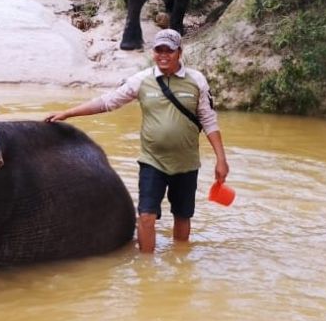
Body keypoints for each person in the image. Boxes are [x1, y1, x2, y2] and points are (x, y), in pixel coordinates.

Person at [45, 29, 229, 253]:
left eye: (168, 51)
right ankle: (146, 271)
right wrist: (68, 113)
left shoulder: (196, 80)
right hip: (153, 161)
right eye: (158, 50)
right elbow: (108, 102)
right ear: (153, 52)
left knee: (182, 216)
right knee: (146, 216)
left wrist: (221, 159)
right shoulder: (142, 80)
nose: (163, 55)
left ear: (179, 52)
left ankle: (181, 261)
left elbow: (209, 120)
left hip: (186, 163)